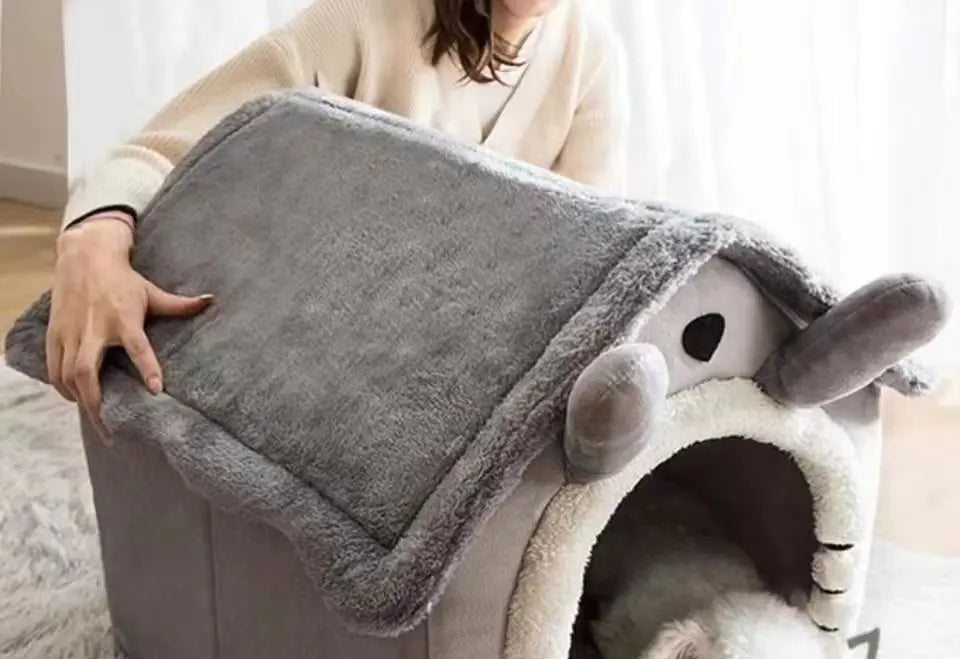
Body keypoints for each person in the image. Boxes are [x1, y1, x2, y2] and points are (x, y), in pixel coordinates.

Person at [47, 0, 627, 436]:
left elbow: (583, 255)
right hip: (326, 367)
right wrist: (92, 240)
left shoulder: (591, 55)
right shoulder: (364, 17)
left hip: (462, 373)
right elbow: (163, 147)